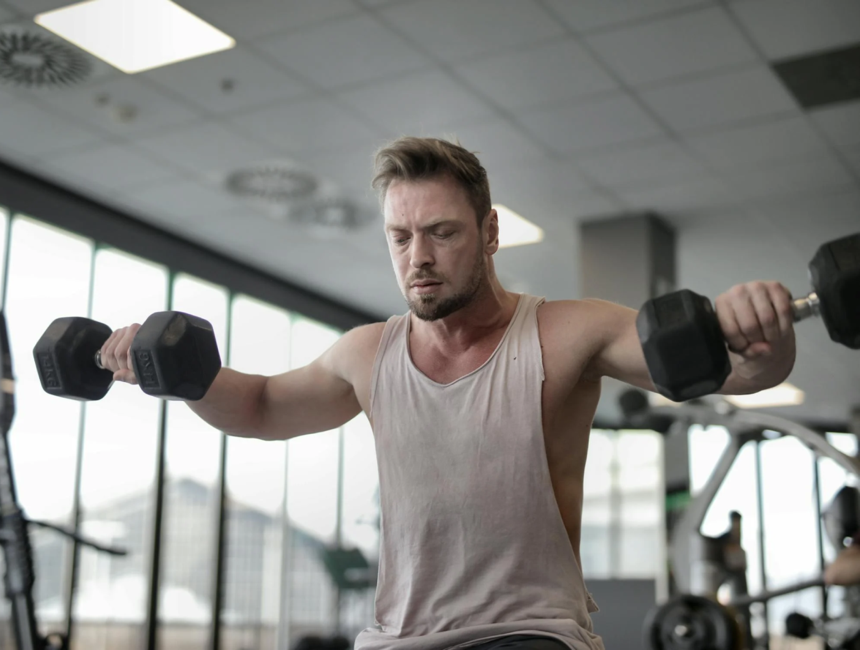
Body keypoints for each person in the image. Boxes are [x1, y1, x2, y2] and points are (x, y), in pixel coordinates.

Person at [99, 137, 798, 650]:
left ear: (489, 234)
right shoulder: (366, 353)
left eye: (441, 233)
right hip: (397, 637)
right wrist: (179, 376)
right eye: (399, 238)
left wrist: (765, 347)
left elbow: (728, 374)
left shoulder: (567, 331)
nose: (418, 258)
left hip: (528, 633)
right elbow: (255, 408)